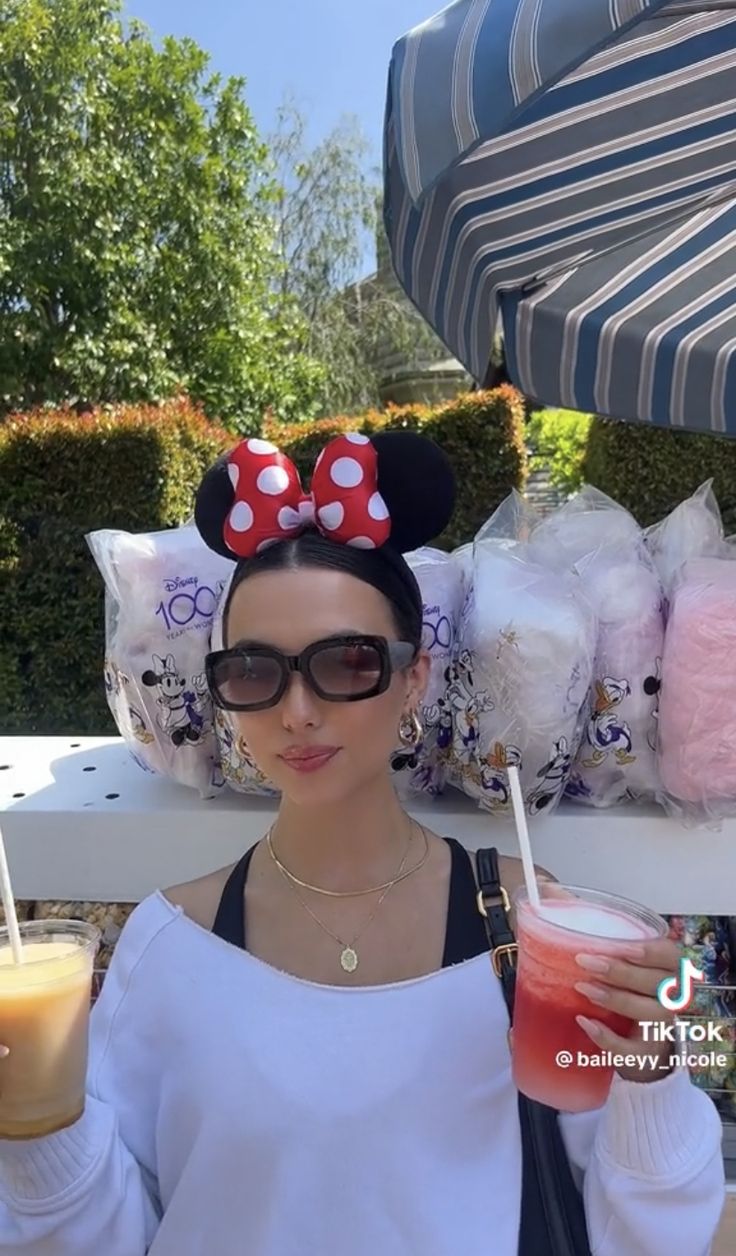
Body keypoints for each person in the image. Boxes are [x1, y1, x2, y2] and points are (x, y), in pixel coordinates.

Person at [0, 431, 726, 1255]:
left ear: (415, 678)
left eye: (346, 663)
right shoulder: (170, 948)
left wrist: (654, 1068)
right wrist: (39, 1126)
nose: (297, 711)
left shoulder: (530, 925)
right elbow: (105, 1237)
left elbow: (652, 1234)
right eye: (253, 670)